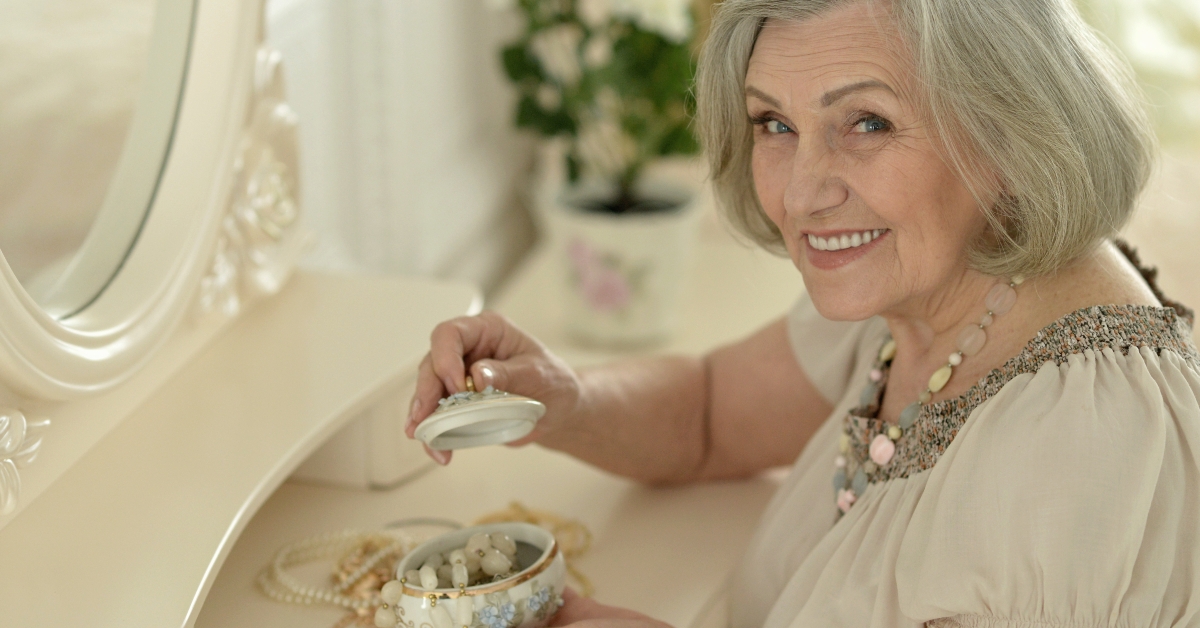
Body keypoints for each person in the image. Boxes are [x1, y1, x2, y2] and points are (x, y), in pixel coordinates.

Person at [406, 0, 1200, 625]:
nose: (799, 191)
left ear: (1009, 132)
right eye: (775, 124)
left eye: (868, 123)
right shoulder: (923, 286)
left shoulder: (1083, 450)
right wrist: (560, 397)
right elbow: (709, 414)